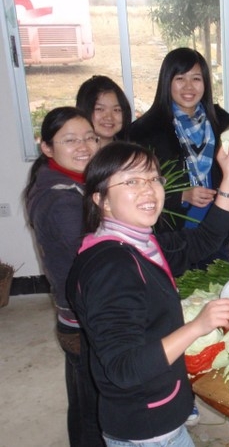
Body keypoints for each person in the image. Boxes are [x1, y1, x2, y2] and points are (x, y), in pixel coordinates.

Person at [67, 142, 229, 446]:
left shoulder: (141, 242)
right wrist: (197, 326)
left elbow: (205, 239)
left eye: (153, 178)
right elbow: (124, 368)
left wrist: (228, 178)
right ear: (102, 199)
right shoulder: (113, 268)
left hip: (158, 409)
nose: (148, 189)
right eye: (132, 181)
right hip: (147, 429)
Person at [129, 47, 229, 267]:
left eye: (196, 78)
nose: (189, 86)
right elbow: (133, 191)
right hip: (172, 239)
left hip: (216, 231)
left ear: (206, 83)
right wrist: (181, 196)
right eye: (180, 78)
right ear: (166, 82)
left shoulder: (220, 121)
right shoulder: (144, 131)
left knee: (220, 286)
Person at [24, 107, 104, 446]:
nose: (83, 146)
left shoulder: (70, 182)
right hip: (84, 319)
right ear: (47, 147)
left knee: (84, 398)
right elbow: (94, 262)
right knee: (94, 407)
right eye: (70, 140)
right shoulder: (61, 199)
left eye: (89, 138)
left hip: (74, 315)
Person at [76, 75, 132, 147]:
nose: (109, 117)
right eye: (100, 109)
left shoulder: (132, 152)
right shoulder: (73, 152)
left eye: (116, 110)